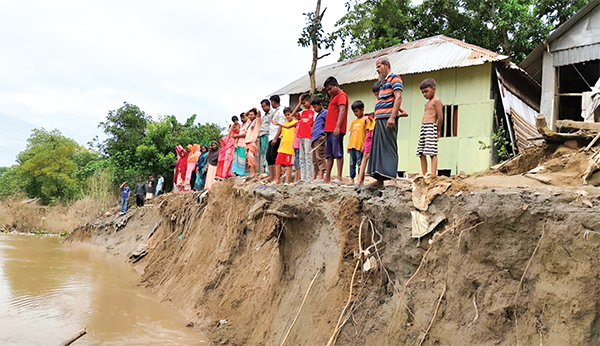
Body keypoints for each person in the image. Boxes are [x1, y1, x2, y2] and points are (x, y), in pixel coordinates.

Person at [367, 57, 408, 188]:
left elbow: (398, 97)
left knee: (389, 147)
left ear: (386, 65)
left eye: (379, 66)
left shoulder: (395, 78)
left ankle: (392, 178)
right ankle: (379, 180)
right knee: (378, 149)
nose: (377, 70)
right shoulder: (383, 83)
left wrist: (392, 116)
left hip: (388, 119)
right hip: (379, 120)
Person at [323, 76, 349, 184]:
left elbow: (342, 110)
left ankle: (339, 176)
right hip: (329, 130)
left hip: (336, 130)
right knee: (329, 154)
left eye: (330, 88)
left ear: (336, 85)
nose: (329, 92)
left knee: (338, 153)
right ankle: (327, 178)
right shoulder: (333, 98)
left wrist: (337, 126)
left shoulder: (341, 95)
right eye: (327, 90)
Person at [417, 78, 443, 177]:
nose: (424, 94)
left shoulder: (436, 101)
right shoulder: (427, 103)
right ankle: (424, 174)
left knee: (432, 152)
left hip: (431, 127)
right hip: (424, 127)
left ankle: (433, 174)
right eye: (423, 92)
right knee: (421, 152)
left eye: (426, 91)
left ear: (434, 89)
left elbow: (440, 117)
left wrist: (438, 130)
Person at [357, 81, 381, 186]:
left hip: (378, 132)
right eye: (375, 94)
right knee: (365, 156)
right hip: (371, 132)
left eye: (378, 94)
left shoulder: (387, 102)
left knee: (375, 156)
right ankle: (359, 181)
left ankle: (380, 181)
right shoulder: (377, 103)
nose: (377, 96)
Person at [291, 93, 314, 182]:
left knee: (308, 158)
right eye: (302, 103)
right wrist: (299, 103)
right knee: (302, 158)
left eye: (304, 103)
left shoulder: (313, 112)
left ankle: (309, 177)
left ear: (309, 101)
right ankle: (303, 178)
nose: (303, 105)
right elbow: (293, 114)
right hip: (301, 136)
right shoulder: (302, 112)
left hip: (308, 137)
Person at [272, 107, 297, 184]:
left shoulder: (295, 123)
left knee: (289, 164)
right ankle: (277, 180)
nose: (287, 116)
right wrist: (279, 147)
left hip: (290, 147)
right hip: (283, 146)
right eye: (286, 115)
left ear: (292, 114)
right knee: (278, 162)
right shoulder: (284, 124)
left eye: (289, 114)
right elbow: (282, 136)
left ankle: (287, 181)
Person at [266, 95, 286, 182]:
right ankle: (272, 175)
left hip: (276, 136)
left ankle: (276, 177)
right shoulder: (275, 111)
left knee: (274, 156)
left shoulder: (281, 111)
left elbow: (281, 125)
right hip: (271, 136)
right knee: (268, 157)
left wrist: (275, 138)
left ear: (273, 102)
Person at [348, 100, 367, 185]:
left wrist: (364, 145)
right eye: (354, 112)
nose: (355, 113)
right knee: (352, 163)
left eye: (356, 111)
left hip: (359, 146)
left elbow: (367, 133)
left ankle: (360, 180)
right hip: (352, 145)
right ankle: (351, 179)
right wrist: (348, 145)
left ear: (362, 110)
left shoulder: (365, 120)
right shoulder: (354, 122)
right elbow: (351, 133)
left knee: (360, 163)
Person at [310, 97, 327, 181]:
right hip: (314, 139)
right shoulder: (318, 115)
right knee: (314, 159)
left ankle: (321, 174)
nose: (314, 109)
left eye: (315, 107)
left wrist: (325, 135)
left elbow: (328, 124)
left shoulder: (325, 113)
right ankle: (314, 175)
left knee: (320, 156)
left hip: (320, 138)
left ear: (320, 104)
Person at [245, 108, 262, 177]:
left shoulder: (257, 121)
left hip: (253, 141)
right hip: (248, 142)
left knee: (252, 158)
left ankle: (253, 173)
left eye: (252, 115)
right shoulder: (250, 122)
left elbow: (259, 114)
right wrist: (250, 111)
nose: (250, 116)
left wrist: (255, 109)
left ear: (255, 115)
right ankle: (252, 173)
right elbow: (245, 115)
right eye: (249, 115)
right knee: (249, 158)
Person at [259, 99, 273, 175]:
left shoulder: (272, 114)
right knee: (263, 153)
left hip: (268, 135)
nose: (263, 108)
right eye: (262, 107)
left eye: (264, 106)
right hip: (262, 135)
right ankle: (264, 170)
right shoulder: (264, 115)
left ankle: (268, 171)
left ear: (268, 105)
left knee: (268, 153)